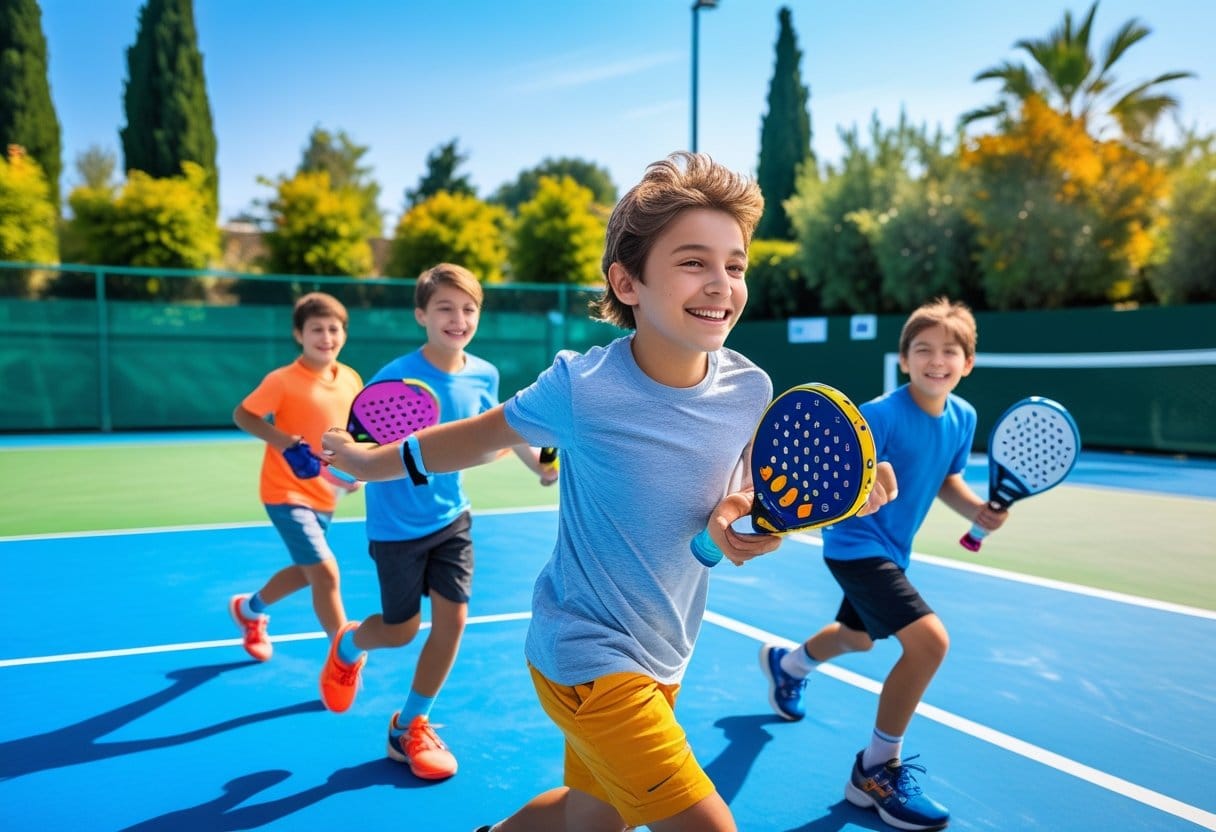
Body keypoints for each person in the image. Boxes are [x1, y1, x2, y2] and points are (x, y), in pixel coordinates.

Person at [323, 152, 894, 832]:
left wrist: (740, 526)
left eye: (734, 264)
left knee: (590, 820)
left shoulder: (751, 389)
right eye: (693, 262)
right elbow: (471, 438)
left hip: (665, 654)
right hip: (585, 654)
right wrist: (367, 461)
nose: (721, 283)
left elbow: (736, 496)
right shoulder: (582, 387)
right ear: (628, 282)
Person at [759, 296, 1008, 832]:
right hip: (854, 546)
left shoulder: (962, 418)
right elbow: (834, 477)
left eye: (950, 351)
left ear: (968, 363)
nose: (936, 360)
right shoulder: (879, 415)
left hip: (892, 551)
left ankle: (789, 665)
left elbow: (945, 478)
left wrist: (978, 511)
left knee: (857, 638)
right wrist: (863, 485)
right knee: (930, 642)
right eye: (923, 350)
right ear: (904, 359)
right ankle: (876, 770)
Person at [317, 263, 559, 783]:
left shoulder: (485, 374)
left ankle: (410, 724)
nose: (458, 318)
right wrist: (342, 456)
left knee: (453, 622)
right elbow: (358, 439)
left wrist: (537, 462)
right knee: (401, 632)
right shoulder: (394, 378)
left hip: (452, 520)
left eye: (469, 308)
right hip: (396, 528)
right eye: (445, 308)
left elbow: (499, 427)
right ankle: (350, 645)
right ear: (421, 315)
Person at [229, 291, 363, 663]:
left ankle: (250, 610)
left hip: (326, 496)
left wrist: (354, 468)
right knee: (326, 574)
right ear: (298, 335)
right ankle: (344, 658)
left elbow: (353, 434)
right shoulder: (283, 380)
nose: (326, 337)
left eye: (333, 329)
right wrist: (286, 443)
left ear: (344, 334)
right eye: (316, 329)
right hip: (285, 492)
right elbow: (244, 415)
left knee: (308, 573)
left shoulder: (351, 378)